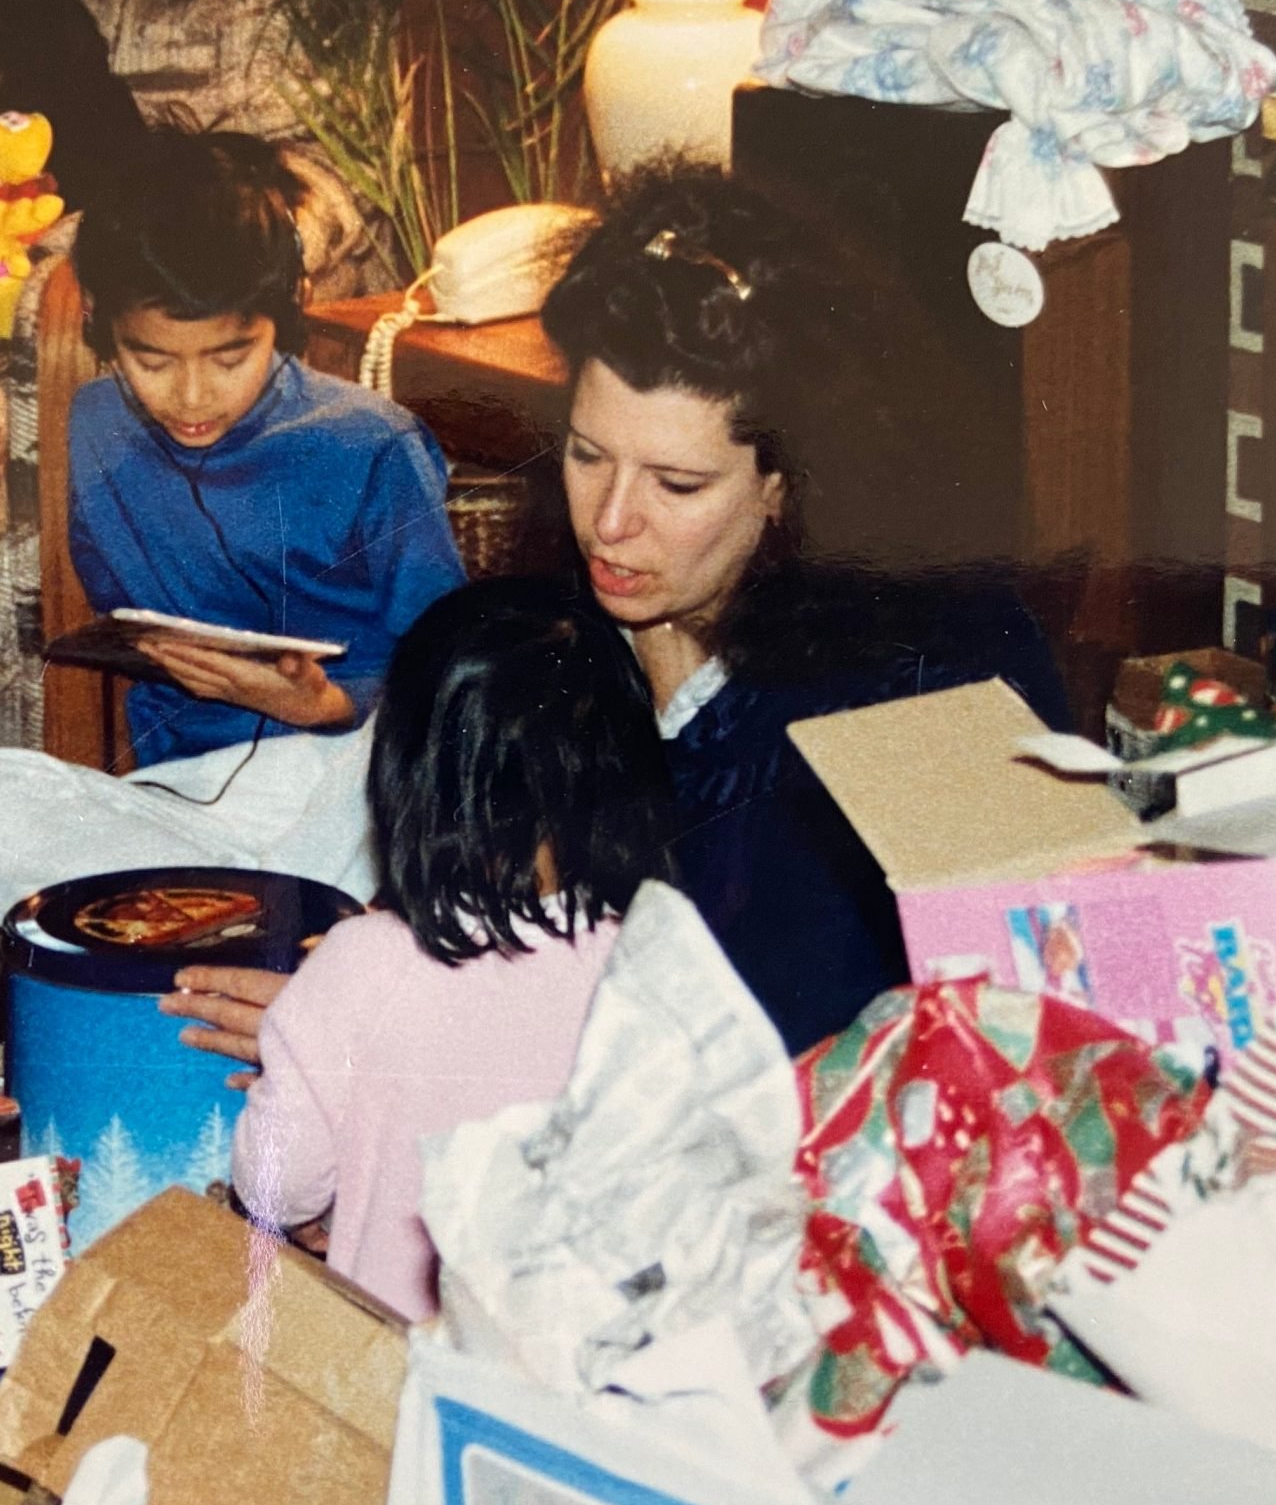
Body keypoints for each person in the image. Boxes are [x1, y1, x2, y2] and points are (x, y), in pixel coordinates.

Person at [170, 163, 1068, 1063]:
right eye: (587, 454)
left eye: (678, 484)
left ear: (786, 486)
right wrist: (374, 984)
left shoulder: (923, 678)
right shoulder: (560, 630)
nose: (608, 522)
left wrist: (412, 1045)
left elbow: (876, 1047)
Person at [228, 578, 671, 1320]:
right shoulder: (654, 960)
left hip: (394, 1379)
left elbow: (277, 1186)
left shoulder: (363, 960)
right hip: (583, 1380)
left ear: (408, 769)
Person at [65, 129, 466, 766]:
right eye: (152, 360)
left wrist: (323, 705)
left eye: (231, 357)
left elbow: (450, 667)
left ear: (289, 313)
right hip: (178, 783)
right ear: (95, 315)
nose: (192, 397)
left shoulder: (373, 446)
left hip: (348, 771)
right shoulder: (95, 424)